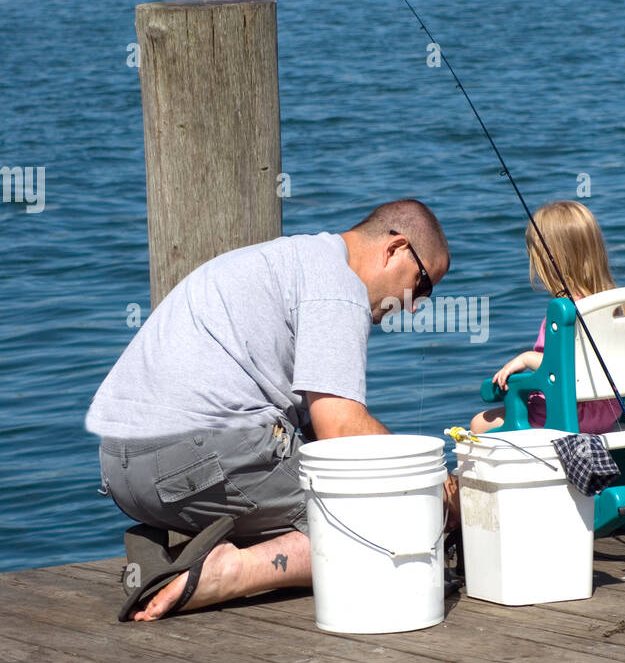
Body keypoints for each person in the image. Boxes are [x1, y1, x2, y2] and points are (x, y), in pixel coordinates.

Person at [87, 199, 455, 621]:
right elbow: (341, 430)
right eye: (422, 284)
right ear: (395, 248)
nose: (413, 306)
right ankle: (230, 571)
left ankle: (166, 559)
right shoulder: (340, 285)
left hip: (121, 469)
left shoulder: (286, 258)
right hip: (193, 458)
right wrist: (432, 484)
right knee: (391, 520)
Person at [470, 201, 623, 435]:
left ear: (546, 262)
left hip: (563, 414)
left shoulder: (563, 315)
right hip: (608, 414)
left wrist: (526, 359)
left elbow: (564, 370)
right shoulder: (615, 307)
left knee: (480, 423)